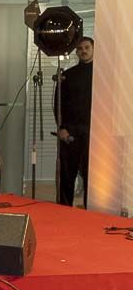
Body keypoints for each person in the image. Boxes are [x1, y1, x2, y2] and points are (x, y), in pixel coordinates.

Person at [54, 36, 93, 207]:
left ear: (93, 49)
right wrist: (61, 128)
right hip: (70, 132)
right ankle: (63, 211)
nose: (83, 51)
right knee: (67, 175)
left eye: (86, 47)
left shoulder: (104, 75)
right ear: (76, 52)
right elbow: (59, 104)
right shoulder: (67, 76)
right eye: (80, 48)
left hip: (94, 132)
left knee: (92, 177)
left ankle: (91, 211)